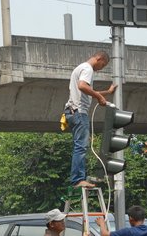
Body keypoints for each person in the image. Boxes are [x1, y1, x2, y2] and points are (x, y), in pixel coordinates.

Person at [64, 50, 117, 188]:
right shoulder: (88, 69)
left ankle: (78, 179)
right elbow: (82, 86)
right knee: (81, 147)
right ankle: (78, 180)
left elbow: (87, 91)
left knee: (80, 146)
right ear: (99, 59)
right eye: (103, 65)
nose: (101, 69)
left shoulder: (80, 68)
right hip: (79, 113)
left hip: (73, 112)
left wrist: (106, 93)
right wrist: (99, 97)